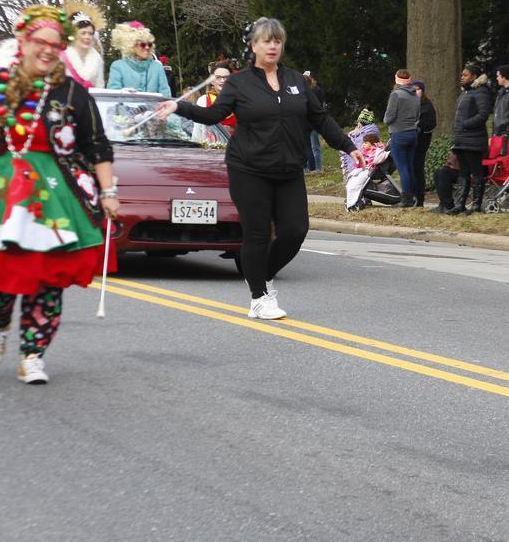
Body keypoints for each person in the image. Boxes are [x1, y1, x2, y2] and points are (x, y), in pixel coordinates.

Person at [0, 4, 119, 384]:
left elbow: (97, 145)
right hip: (1, 189)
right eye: (42, 42)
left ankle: (33, 355)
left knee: (47, 279)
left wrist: (109, 191)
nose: (50, 50)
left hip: (56, 193)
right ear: (23, 42)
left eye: (56, 43)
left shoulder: (73, 92)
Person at [155, 17, 365, 319]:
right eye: (266, 41)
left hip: (289, 169)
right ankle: (259, 297)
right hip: (248, 169)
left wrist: (349, 146)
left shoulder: (295, 80)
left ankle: (260, 276)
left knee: (295, 231)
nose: (272, 46)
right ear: (254, 45)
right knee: (256, 234)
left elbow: (320, 118)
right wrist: (180, 106)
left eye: (277, 41)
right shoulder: (240, 82)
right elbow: (214, 113)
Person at [448, 64, 492, 214]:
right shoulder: (465, 93)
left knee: (476, 173)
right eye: (462, 75)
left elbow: (483, 114)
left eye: (465, 75)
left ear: (474, 76)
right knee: (463, 173)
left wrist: (465, 125)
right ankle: (460, 204)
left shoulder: (481, 92)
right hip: (461, 139)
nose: (462, 77)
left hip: (473, 140)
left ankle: (476, 205)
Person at [384, 69, 420, 207]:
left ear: (396, 80)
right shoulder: (415, 95)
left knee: (402, 168)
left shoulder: (396, 95)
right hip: (412, 133)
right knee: (410, 167)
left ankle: (406, 200)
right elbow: (417, 116)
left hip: (398, 133)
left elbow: (389, 117)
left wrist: (387, 121)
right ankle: (413, 196)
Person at [106, 21, 172, 95]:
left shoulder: (157, 67)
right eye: (143, 44)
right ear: (132, 45)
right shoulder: (118, 66)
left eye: (149, 44)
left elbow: (166, 94)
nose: (147, 47)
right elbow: (112, 94)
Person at [60, 0, 106, 88]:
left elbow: (100, 85)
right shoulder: (62, 56)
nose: (87, 37)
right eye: (83, 33)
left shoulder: (97, 58)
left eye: (90, 33)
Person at [410, 80, 436, 207]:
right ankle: (410, 195)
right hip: (410, 140)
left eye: (418, 89)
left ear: (422, 90)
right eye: (413, 89)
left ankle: (419, 199)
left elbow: (431, 124)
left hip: (421, 141)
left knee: (417, 169)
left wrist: (419, 125)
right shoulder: (410, 104)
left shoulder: (427, 105)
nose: (415, 92)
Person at [340, 108, 380, 182]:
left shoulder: (363, 135)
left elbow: (356, 146)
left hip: (364, 164)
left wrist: (354, 132)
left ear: (360, 122)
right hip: (372, 162)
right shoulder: (373, 131)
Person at [303, 70, 324, 172]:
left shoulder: (317, 90)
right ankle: (312, 168)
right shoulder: (303, 91)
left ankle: (316, 168)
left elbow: (319, 106)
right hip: (307, 123)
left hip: (313, 122)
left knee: (313, 147)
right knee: (311, 147)